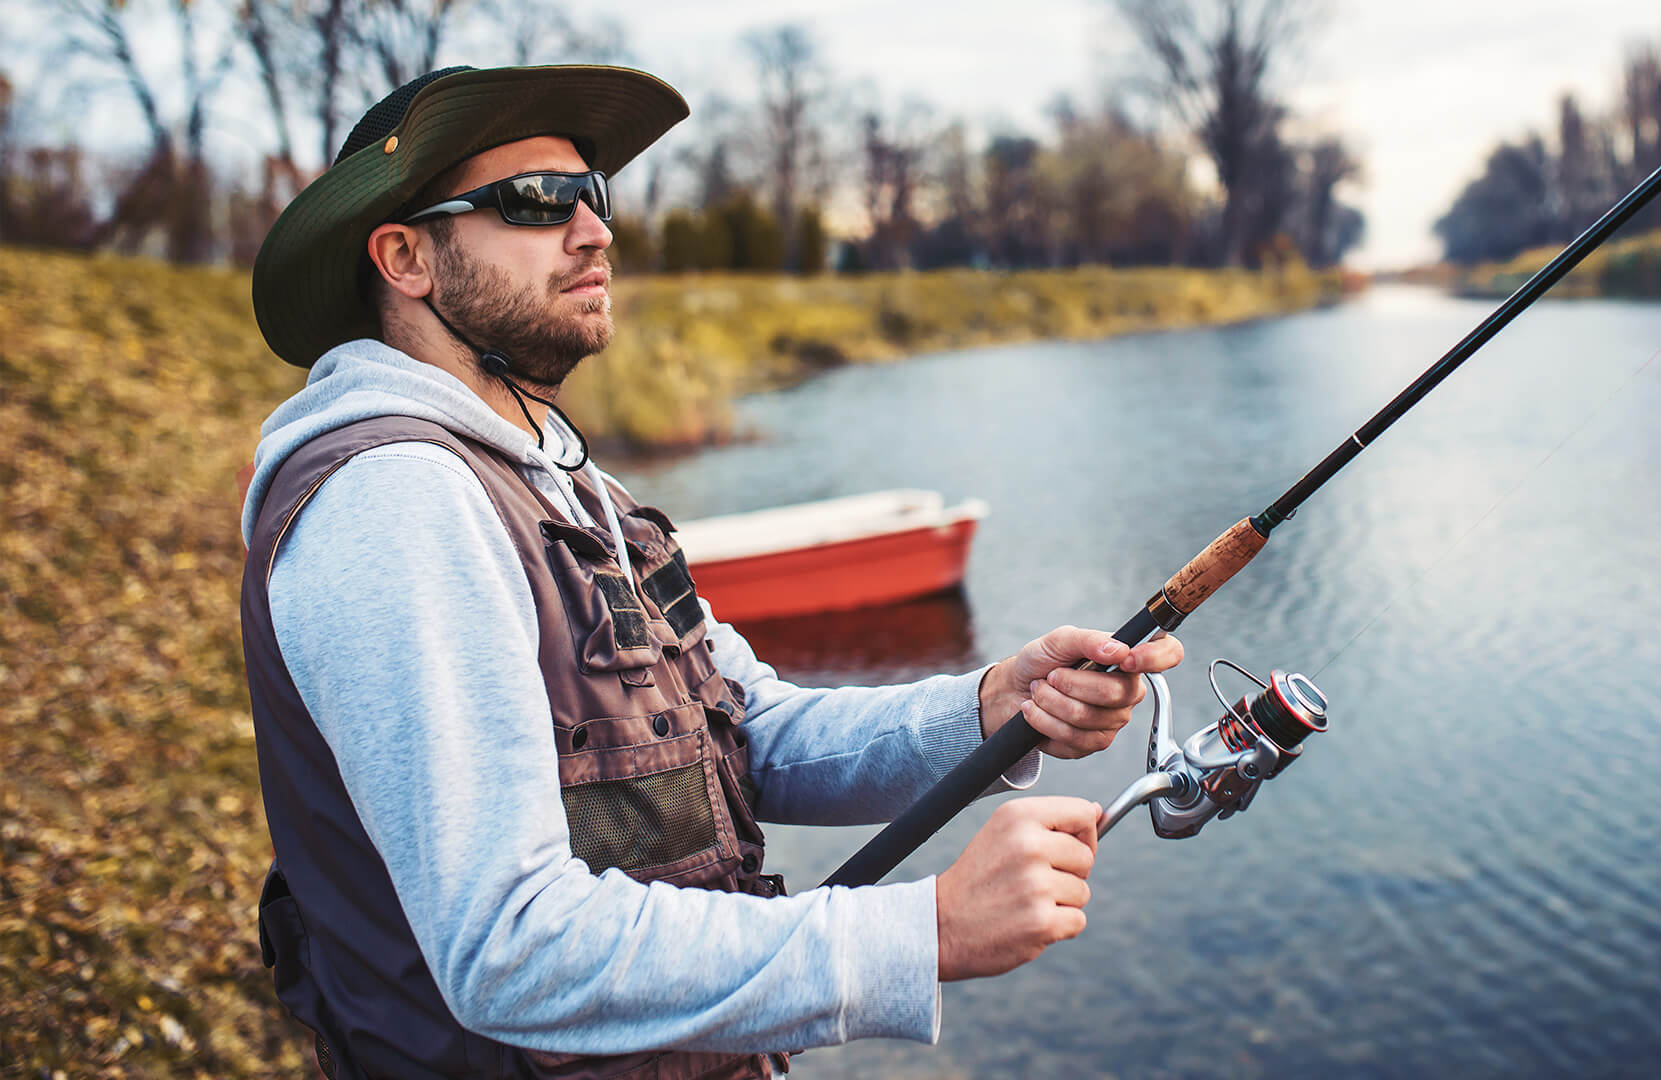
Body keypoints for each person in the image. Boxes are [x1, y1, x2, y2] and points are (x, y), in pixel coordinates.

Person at [238, 64, 1182, 1079]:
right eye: (536, 201)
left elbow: (747, 732)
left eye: (592, 195)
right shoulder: (395, 498)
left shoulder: (570, 485)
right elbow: (508, 947)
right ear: (405, 257)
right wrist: (923, 931)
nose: (593, 232)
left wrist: (993, 709)